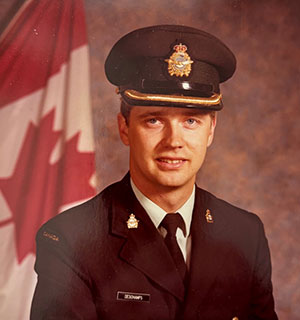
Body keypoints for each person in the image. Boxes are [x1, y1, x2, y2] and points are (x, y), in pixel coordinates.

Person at [30, 25, 278, 320]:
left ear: (211, 130)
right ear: (124, 128)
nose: (174, 141)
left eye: (191, 121)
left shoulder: (245, 235)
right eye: (153, 120)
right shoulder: (71, 240)